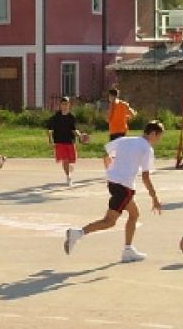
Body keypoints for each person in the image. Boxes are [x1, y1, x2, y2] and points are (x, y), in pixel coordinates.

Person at [64, 121, 164, 263]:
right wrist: (154, 198)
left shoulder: (125, 140)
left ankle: (128, 250)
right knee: (109, 221)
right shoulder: (147, 149)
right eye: (159, 136)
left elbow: (106, 153)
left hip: (113, 183)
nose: (158, 140)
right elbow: (146, 177)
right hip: (124, 187)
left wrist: (109, 170)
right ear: (153, 133)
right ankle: (77, 233)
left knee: (134, 214)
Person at [46, 97, 80, 186]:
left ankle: (69, 169)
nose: (65, 106)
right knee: (65, 160)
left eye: (66, 104)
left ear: (69, 105)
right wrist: (50, 140)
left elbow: (74, 129)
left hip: (70, 141)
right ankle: (68, 177)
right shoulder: (56, 117)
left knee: (72, 160)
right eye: (63, 104)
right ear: (60, 105)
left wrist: (79, 135)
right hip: (60, 141)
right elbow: (49, 129)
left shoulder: (72, 117)